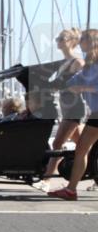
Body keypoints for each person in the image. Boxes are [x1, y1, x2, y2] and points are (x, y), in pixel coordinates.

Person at [49, 29, 98, 200]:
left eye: (83, 38)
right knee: (82, 149)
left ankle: (71, 190)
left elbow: (83, 85)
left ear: (92, 42)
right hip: (95, 114)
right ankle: (71, 190)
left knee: (82, 149)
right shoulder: (90, 65)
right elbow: (72, 81)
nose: (80, 41)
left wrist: (83, 88)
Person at [41, 28, 86, 190]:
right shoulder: (63, 64)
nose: (57, 41)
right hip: (65, 109)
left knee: (58, 144)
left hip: (75, 109)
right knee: (83, 145)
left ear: (70, 41)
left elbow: (84, 84)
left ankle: (46, 181)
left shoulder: (78, 63)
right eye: (57, 38)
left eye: (61, 38)